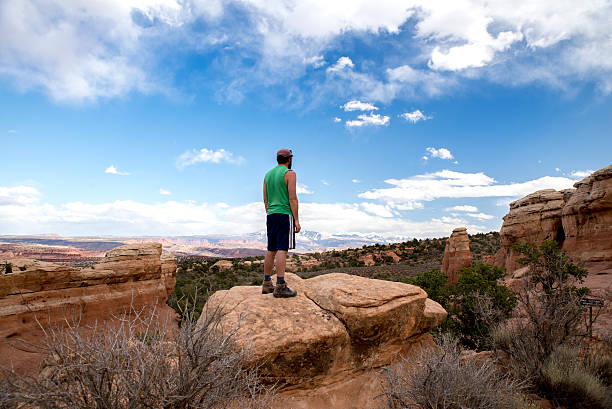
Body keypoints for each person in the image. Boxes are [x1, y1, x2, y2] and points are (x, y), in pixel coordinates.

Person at [262, 148, 301, 298]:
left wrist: (270, 212)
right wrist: (296, 220)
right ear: (289, 160)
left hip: (271, 215)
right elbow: (292, 198)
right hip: (284, 214)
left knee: (271, 249)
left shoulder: (267, 175)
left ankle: (266, 283)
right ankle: (280, 285)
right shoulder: (290, 174)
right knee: (282, 250)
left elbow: (265, 200)